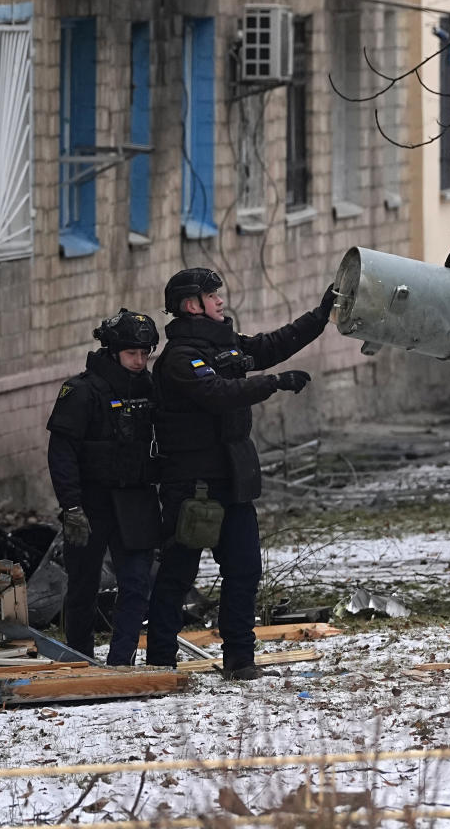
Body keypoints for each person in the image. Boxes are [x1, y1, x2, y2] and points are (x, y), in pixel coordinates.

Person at [145, 267, 334, 681]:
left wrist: (319, 317)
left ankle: (239, 660)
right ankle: (160, 661)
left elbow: (269, 346)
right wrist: (273, 383)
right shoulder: (180, 358)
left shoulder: (223, 343)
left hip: (233, 483)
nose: (221, 301)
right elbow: (217, 394)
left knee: (245, 571)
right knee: (178, 574)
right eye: (213, 296)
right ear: (191, 304)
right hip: (193, 487)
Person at [46, 309, 161, 665]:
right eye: (132, 354)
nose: (140, 361)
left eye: (145, 354)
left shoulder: (151, 387)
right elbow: (61, 453)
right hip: (91, 503)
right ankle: (79, 659)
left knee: (137, 583)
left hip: (136, 499)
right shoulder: (81, 392)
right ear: (112, 352)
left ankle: (120, 662)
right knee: (83, 586)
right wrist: (72, 507)